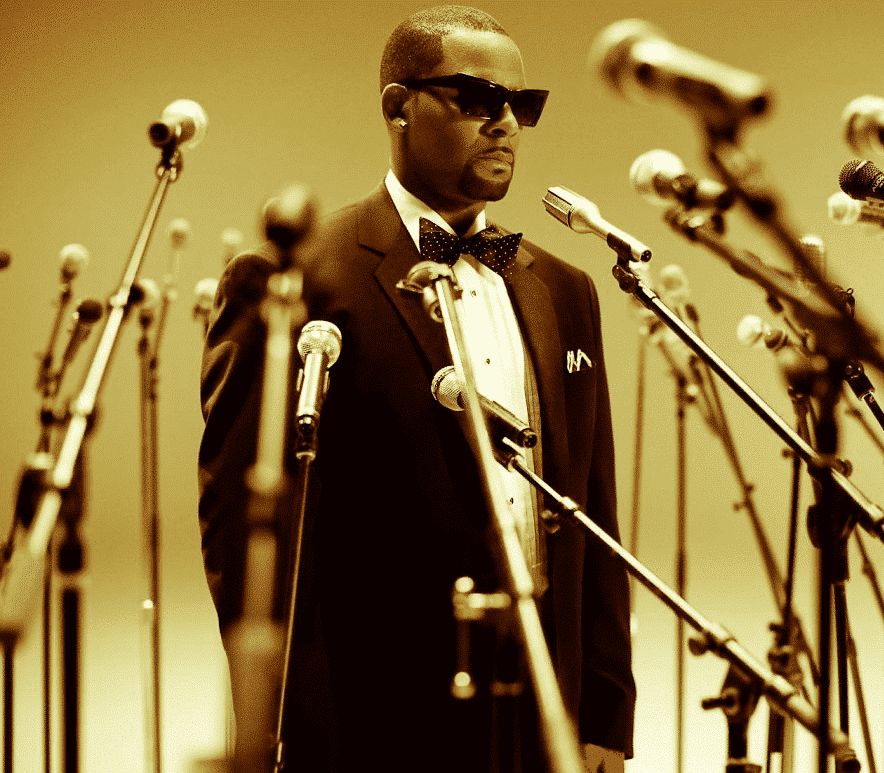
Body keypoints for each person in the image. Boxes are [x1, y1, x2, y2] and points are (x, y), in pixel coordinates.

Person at [198, 6, 635, 772]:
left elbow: (593, 509)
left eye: (521, 105)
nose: (505, 122)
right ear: (398, 107)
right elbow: (245, 536)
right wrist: (287, 727)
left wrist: (605, 711)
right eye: (476, 98)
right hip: (375, 717)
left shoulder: (567, 288)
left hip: (543, 710)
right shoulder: (297, 278)